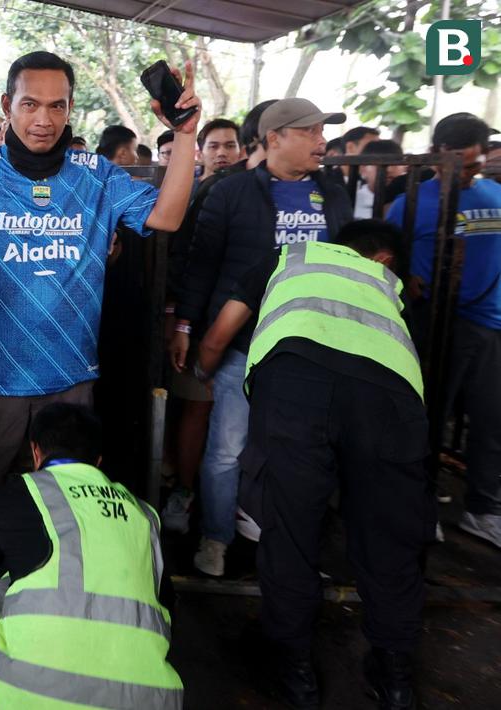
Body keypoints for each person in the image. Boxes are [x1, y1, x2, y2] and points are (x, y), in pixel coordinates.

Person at [0, 51, 200, 676]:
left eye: (57, 105)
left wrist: (187, 138)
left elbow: (166, 214)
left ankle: (46, 617)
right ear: (7, 107)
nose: (43, 118)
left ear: (70, 109)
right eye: (30, 103)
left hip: (69, 383)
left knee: (66, 514)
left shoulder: (98, 177)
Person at [196, 220, 433, 709]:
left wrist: (202, 371)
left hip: (293, 382)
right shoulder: (389, 285)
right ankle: (394, 676)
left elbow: (222, 331)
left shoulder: (289, 257)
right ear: (385, 259)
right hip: (389, 393)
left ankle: (295, 671)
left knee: (290, 528)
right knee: (389, 534)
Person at [171, 97, 350, 577]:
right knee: (227, 449)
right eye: (310, 132)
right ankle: (215, 536)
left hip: (313, 347)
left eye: (320, 132)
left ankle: (285, 537)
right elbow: (201, 264)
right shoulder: (232, 193)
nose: (321, 142)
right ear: (275, 138)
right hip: (242, 345)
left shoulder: (333, 193)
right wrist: (187, 325)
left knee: (301, 450)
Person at [0, 403, 183, 707]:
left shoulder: (18, 495)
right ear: (97, 462)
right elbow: (167, 606)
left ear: (35, 452)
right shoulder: (145, 514)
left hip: (34, 696)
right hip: (151, 699)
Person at [387, 112, 501, 550]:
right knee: (428, 419)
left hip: (490, 324)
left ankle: (483, 510)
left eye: (475, 163)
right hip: (435, 322)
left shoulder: (494, 192)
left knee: (491, 421)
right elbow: (386, 255)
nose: (468, 173)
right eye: (460, 163)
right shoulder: (413, 202)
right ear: (437, 154)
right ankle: (421, 506)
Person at [161, 100, 273, 534]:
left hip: (256, 334)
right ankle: (186, 490)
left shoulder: (270, 193)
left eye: (231, 145)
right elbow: (187, 260)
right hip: (203, 324)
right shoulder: (197, 193)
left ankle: (232, 505)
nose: (223, 152)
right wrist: (180, 319)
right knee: (196, 410)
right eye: (214, 145)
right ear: (200, 150)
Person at [354, 138, 405, 219]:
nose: (389, 170)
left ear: (404, 167)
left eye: (395, 163)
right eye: (378, 163)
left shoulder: (411, 200)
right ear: (362, 169)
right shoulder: (351, 201)